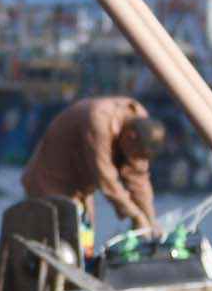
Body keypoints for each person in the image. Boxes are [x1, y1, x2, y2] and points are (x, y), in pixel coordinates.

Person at [20, 93, 164, 243]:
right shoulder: (99, 121)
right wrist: (135, 215)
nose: (133, 160)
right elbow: (105, 178)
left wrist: (150, 219)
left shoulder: (139, 118)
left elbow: (138, 177)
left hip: (81, 187)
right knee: (59, 244)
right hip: (51, 180)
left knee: (84, 243)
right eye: (135, 154)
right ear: (130, 136)